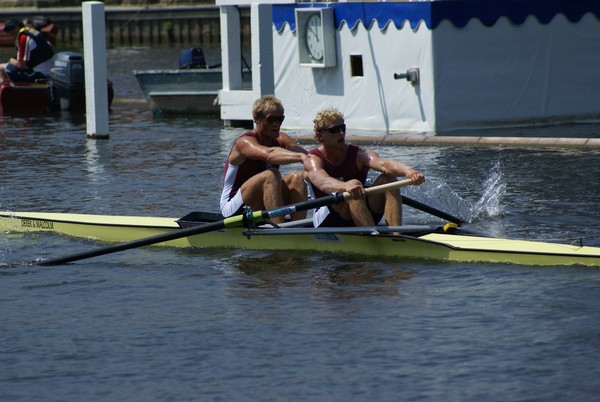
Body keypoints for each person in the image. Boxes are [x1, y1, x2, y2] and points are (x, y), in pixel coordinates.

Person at [304, 107, 425, 228]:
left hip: (359, 211)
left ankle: (396, 236)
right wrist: (346, 185)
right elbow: (323, 183)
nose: (341, 133)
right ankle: (372, 238)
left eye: (343, 128)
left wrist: (408, 171)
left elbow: (383, 164)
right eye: (335, 130)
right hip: (328, 218)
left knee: (388, 179)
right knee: (353, 184)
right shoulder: (313, 159)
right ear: (320, 136)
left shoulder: (358, 154)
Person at [220, 95, 308, 224]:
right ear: (257, 118)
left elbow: (308, 156)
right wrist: (301, 157)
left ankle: (298, 230)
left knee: (298, 177)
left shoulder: (281, 139)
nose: (277, 124)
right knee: (271, 175)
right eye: (271, 119)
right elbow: (270, 154)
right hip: (233, 208)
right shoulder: (244, 142)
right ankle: (279, 231)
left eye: (280, 119)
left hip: (262, 201)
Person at [0, 18, 55, 83]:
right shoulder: (32, 32)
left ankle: (4, 90)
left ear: (17, 27)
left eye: (11, 28)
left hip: (39, 75)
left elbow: (21, 65)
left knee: (2, 67)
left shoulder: (23, 37)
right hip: (46, 72)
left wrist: (10, 60)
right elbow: (51, 47)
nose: (10, 31)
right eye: (7, 30)